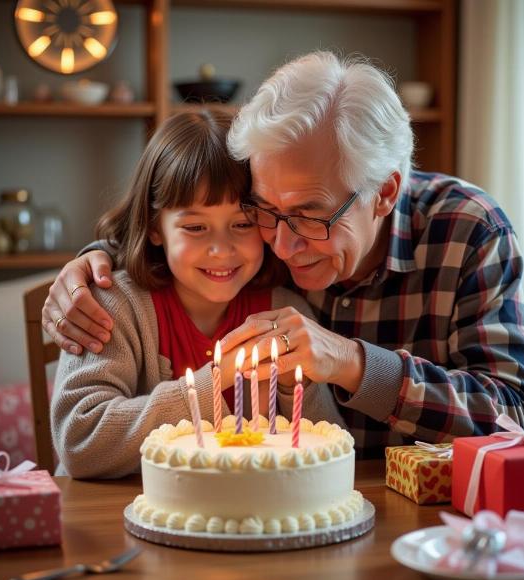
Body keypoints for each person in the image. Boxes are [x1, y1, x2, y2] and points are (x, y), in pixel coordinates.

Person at [44, 52, 524, 458]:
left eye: (311, 215)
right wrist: (97, 259)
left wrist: (352, 362)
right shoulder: (259, 243)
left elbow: (517, 418)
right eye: (263, 211)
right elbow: (188, 227)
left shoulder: (470, 231)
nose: (282, 245)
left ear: (385, 193)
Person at [50, 109, 344, 479]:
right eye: (195, 227)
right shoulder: (112, 305)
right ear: (156, 228)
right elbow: (81, 441)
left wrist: (290, 387)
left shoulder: (283, 311)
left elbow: (331, 448)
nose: (221, 249)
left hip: (245, 521)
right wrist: (212, 382)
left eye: (242, 224)